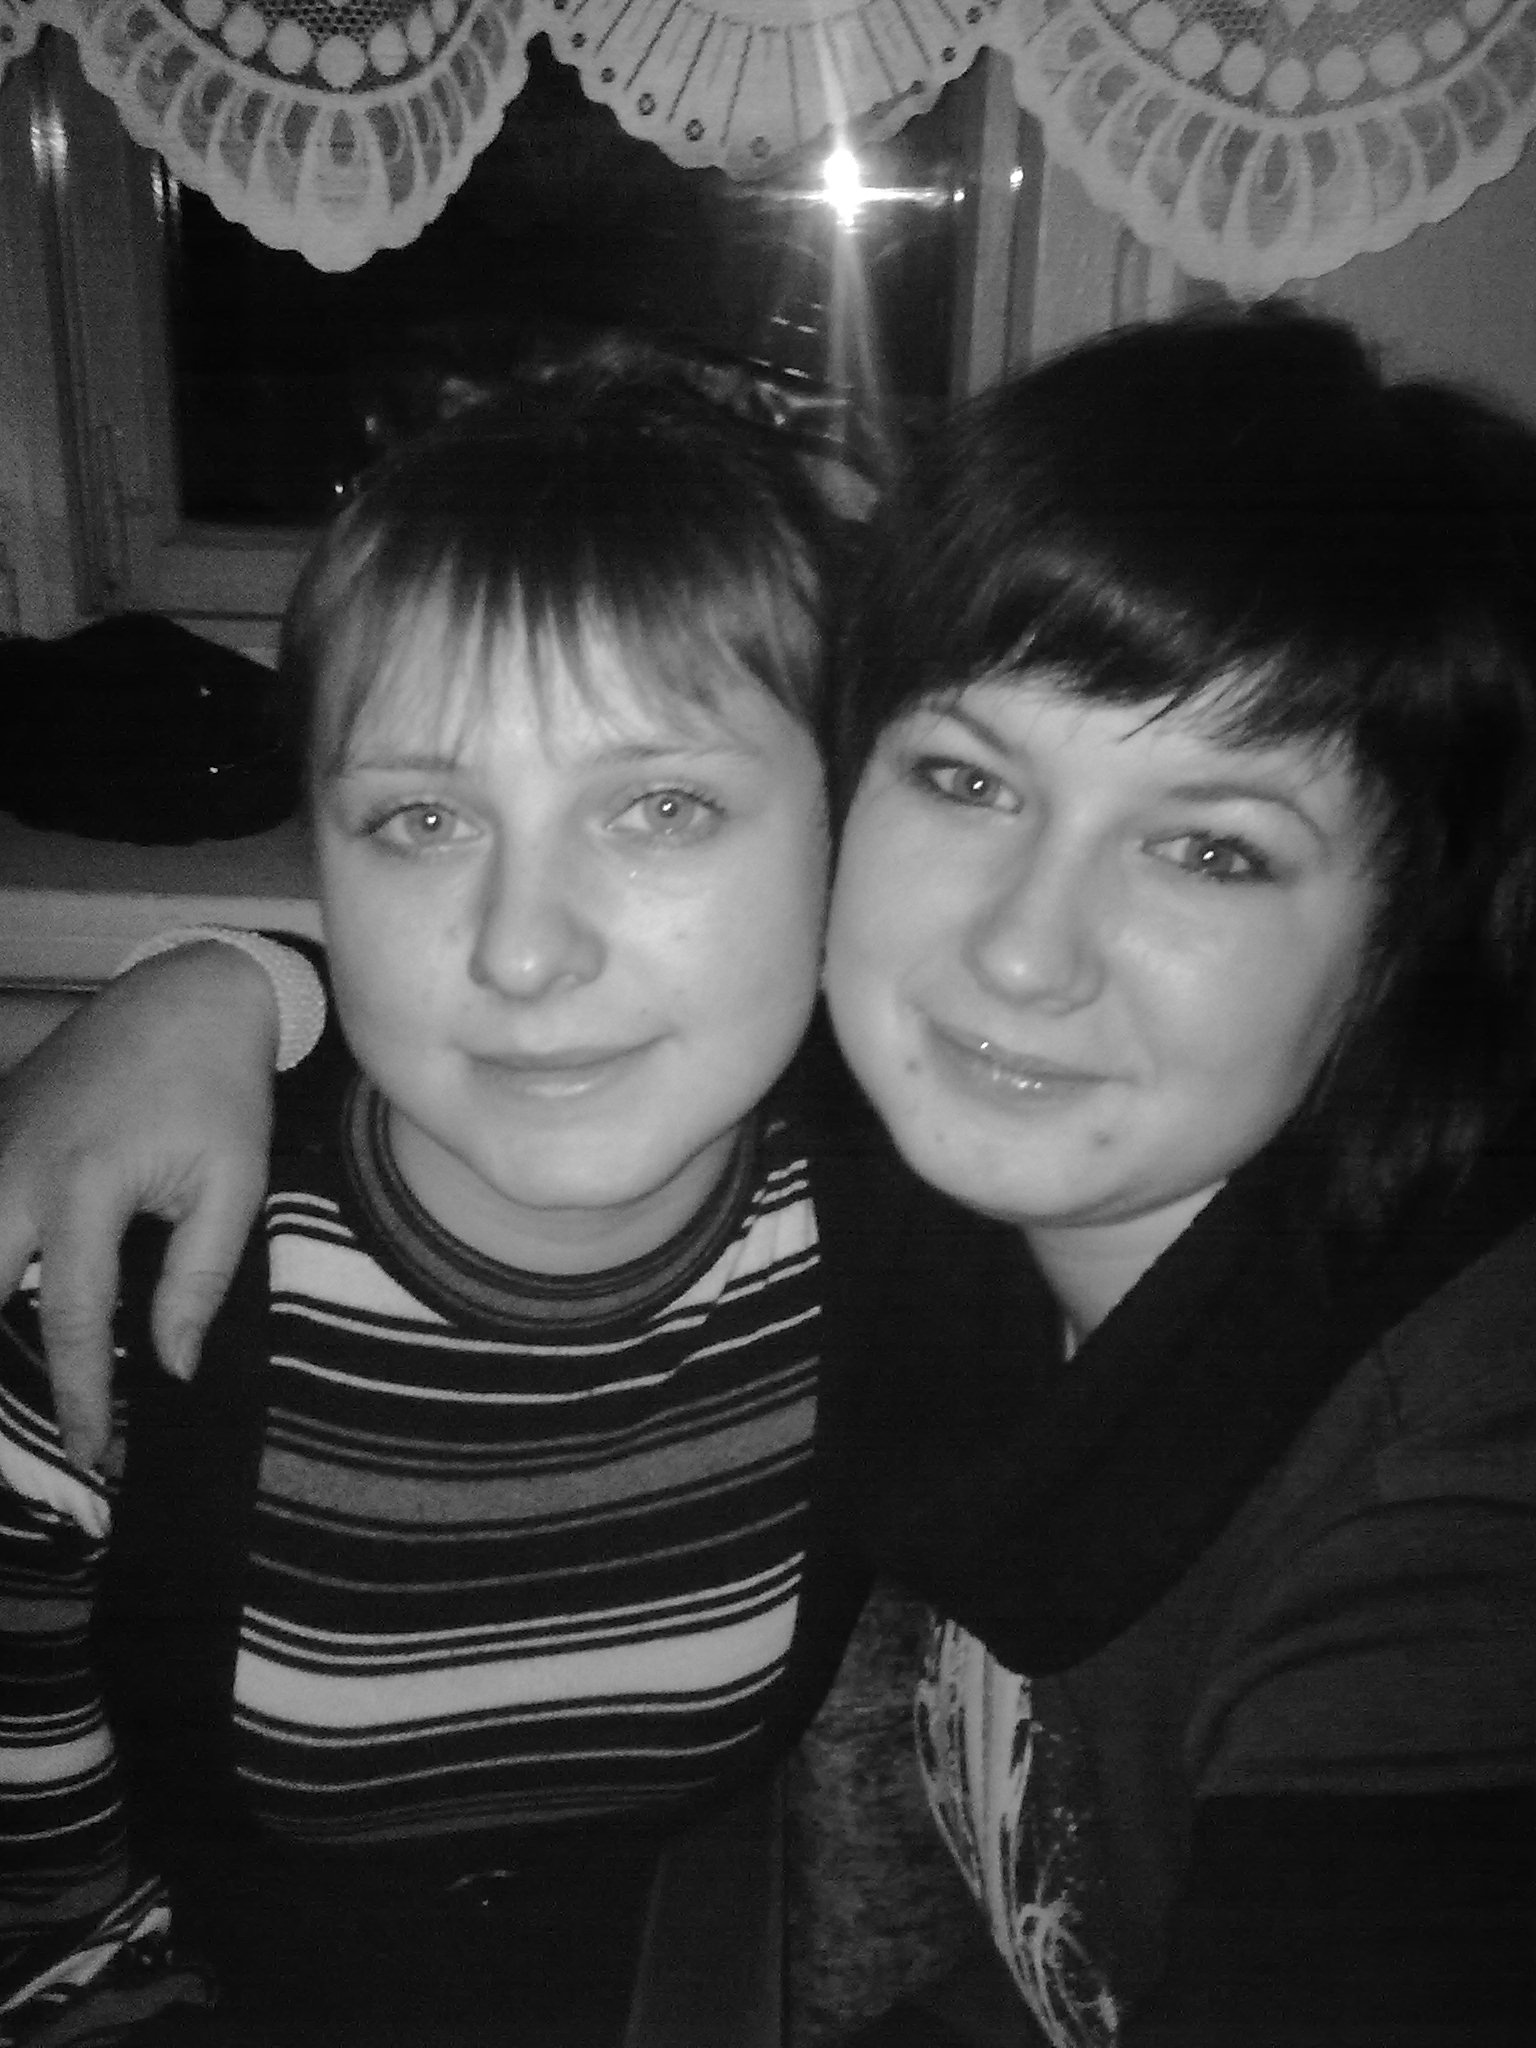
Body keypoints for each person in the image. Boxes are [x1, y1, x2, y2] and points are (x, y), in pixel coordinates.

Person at [4, 309, 1535, 2044]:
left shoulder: (1414, 1499)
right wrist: (215, 983)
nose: (1020, 956)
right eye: (967, 778)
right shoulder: (110, 1303)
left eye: (1211, 848)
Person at [0, 350, 877, 2045]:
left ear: (844, 827)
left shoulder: (905, 1250)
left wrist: (228, 974)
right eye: (420, 817)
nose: (523, 950)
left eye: (663, 805)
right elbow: (48, 1948)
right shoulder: (102, 1302)